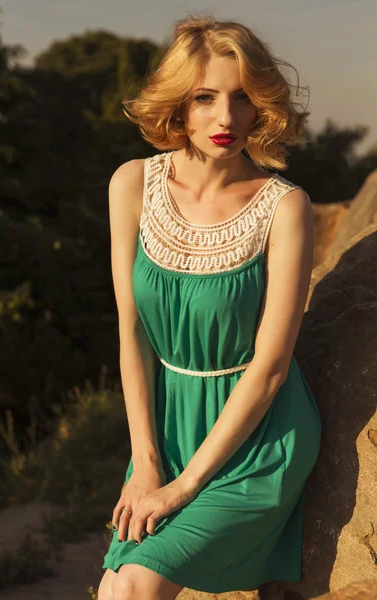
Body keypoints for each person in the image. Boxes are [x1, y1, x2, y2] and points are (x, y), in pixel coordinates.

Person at [98, 13, 322, 600]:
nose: (226, 118)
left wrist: (183, 487)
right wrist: (145, 462)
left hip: (256, 439)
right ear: (178, 103)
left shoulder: (285, 208)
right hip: (167, 430)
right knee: (115, 587)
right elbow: (133, 333)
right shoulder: (132, 184)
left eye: (242, 98)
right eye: (205, 97)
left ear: (261, 106)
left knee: (135, 587)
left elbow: (271, 367)